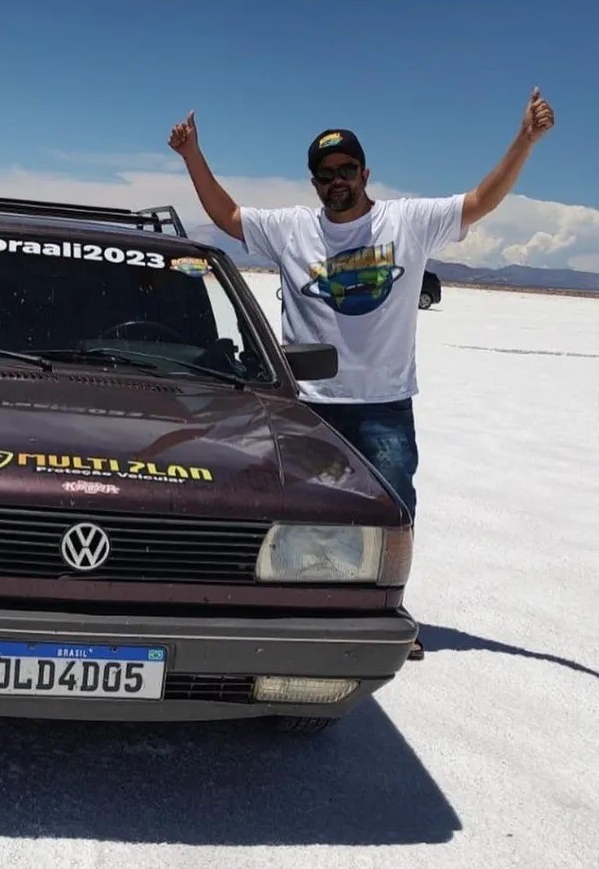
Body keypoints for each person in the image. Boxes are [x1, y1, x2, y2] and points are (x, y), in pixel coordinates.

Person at [168, 90, 555, 659]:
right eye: (326, 174)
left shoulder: (408, 223)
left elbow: (479, 202)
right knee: (299, 515)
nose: (338, 181)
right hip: (306, 406)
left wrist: (524, 141)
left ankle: (381, 613)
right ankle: (295, 612)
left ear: (365, 173)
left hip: (382, 406)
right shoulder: (292, 230)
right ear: (314, 183)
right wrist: (191, 156)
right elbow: (228, 217)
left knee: (390, 515)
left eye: (347, 170)